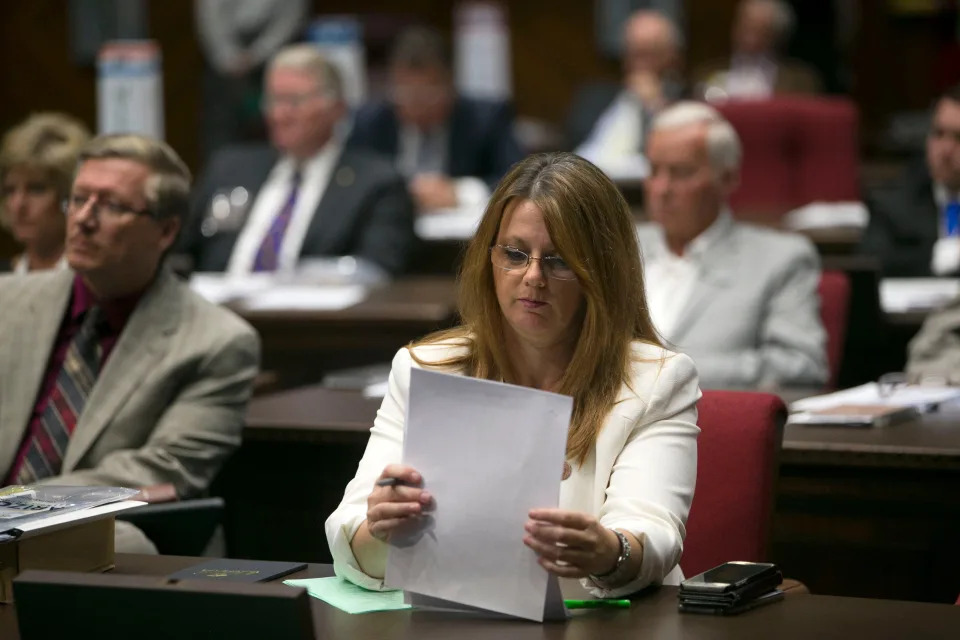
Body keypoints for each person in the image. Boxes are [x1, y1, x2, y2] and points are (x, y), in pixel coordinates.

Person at [326, 152, 701, 597]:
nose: (533, 277)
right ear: (490, 258)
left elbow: (653, 533)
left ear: (600, 273)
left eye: (559, 261)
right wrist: (382, 530)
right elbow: (349, 539)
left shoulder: (655, 380)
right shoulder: (425, 369)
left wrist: (607, 551)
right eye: (516, 254)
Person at [0, 134, 260, 553]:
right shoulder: (8, 303)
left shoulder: (216, 342)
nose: (84, 219)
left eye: (111, 206)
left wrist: (11, 510)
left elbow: (162, 469)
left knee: (124, 543)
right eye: (78, 199)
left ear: (166, 230)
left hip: (86, 528)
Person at [181, 44, 416, 276]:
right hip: (218, 305)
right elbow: (181, 249)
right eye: (273, 100)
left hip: (310, 311)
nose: (278, 115)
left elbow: (376, 270)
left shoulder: (375, 183)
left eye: (293, 101)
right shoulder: (229, 168)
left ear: (336, 108)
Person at [638, 101, 827, 389]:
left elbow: (802, 365)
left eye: (681, 173)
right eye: (654, 171)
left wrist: (668, 369)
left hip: (707, 424)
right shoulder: (616, 247)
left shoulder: (780, 259)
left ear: (727, 178)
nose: (661, 189)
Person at [347, 26, 523, 213]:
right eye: (405, 94)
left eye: (428, 94)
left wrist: (460, 192)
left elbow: (518, 179)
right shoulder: (370, 122)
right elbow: (351, 180)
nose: (417, 106)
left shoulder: (486, 119)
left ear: (450, 86)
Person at [860, 84, 960, 277]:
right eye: (938, 134)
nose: (946, 150)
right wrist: (935, 258)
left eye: (959, 137)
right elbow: (872, 263)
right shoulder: (894, 201)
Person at [569, 10, 686, 175]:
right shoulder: (594, 95)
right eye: (633, 52)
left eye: (648, 53)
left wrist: (654, 105)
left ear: (672, 57)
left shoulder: (686, 102)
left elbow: (677, 152)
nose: (639, 63)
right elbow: (572, 141)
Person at [195, 0, 308, 160]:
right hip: (224, 58)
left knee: (276, 119)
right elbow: (211, 17)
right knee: (220, 126)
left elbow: (289, 20)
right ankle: (221, 175)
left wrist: (257, 55)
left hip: (275, 53)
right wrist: (228, 57)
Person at [0, 113, 90, 273]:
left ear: (72, 196)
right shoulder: (4, 275)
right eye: (10, 190)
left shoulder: (95, 280)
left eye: (36, 189)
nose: (18, 204)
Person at [694, 0, 821, 100]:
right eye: (745, 27)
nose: (749, 38)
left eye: (760, 31)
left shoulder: (800, 81)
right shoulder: (705, 75)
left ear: (777, 35)